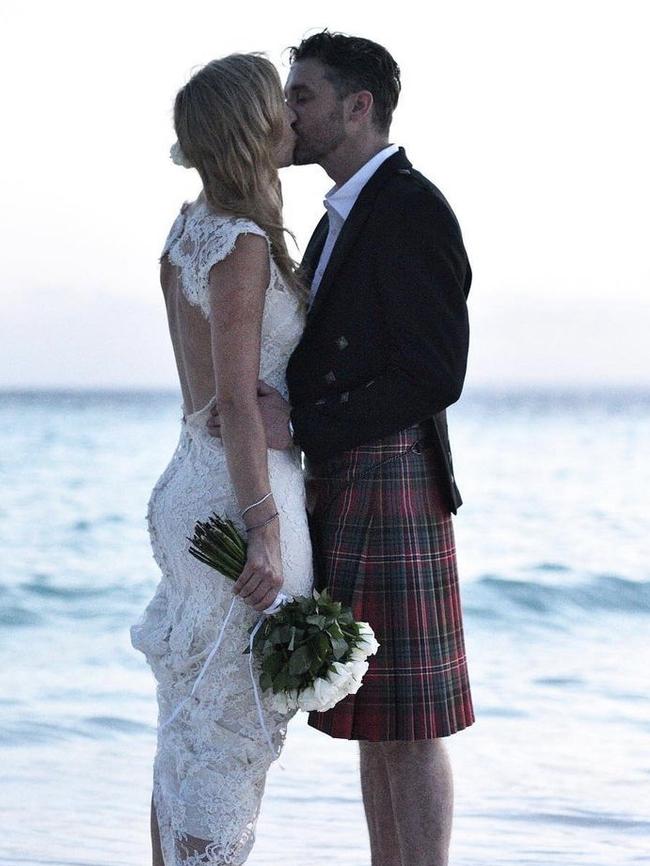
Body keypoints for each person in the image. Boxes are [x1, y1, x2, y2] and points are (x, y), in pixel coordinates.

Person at [210, 31, 475, 866]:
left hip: (393, 474)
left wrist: (301, 428)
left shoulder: (410, 208)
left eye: (303, 97)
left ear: (358, 108)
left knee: (412, 721)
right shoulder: (338, 219)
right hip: (347, 478)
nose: (287, 113)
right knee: (374, 714)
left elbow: (435, 372)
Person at [130, 54, 313, 866]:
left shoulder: (186, 230)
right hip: (232, 495)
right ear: (254, 127)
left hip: (189, 481)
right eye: (281, 106)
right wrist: (265, 529)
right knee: (228, 733)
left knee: (190, 730)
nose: (293, 119)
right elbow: (238, 402)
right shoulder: (238, 243)